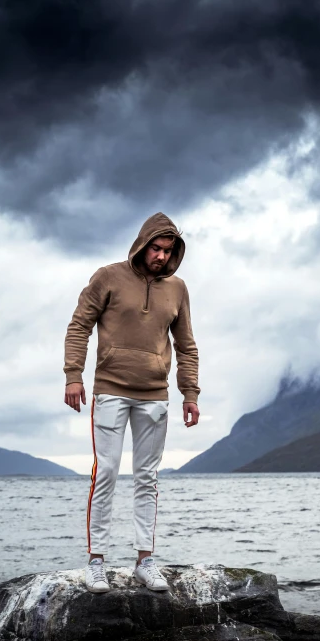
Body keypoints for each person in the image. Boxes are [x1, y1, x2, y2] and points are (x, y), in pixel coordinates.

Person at [64, 212, 200, 593]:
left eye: (167, 250)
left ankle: (145, 560)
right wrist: (73, 376)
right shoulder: (107, 277)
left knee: (148, 478)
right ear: (143, 244)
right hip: (109, 389)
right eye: (155, 248)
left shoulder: (178, 289)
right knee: (105, 472)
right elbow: (79, 326)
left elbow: (186, 346)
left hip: (155, 395)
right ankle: (96, 562)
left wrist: (190, 393)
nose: (160, 256)